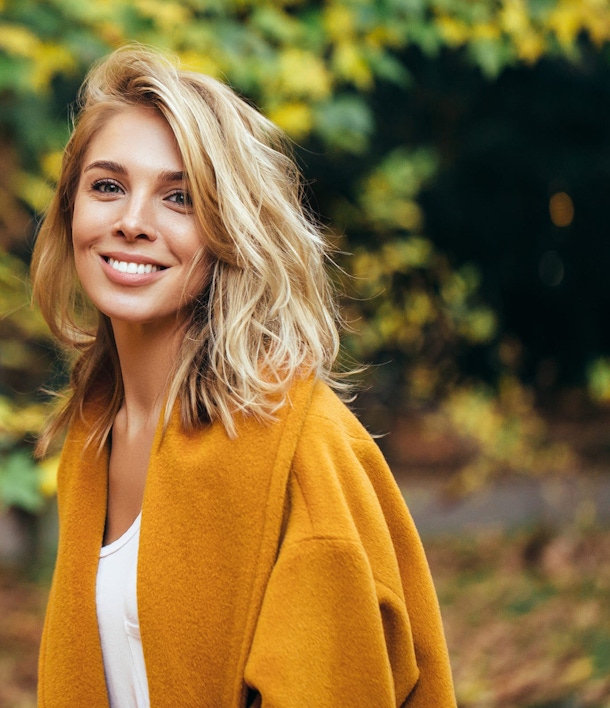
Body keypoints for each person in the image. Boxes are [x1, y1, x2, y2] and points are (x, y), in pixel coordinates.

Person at [31, 44, 456, 708]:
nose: (132, 222)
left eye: (180, 198)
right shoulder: (92, 439)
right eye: (108, 186)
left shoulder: (301, 447)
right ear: (69, 210)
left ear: (228, 229)